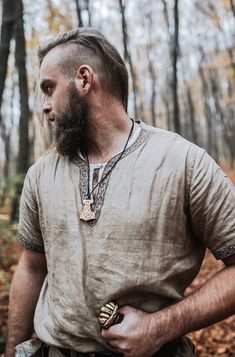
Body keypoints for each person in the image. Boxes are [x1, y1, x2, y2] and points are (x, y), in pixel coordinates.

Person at [6, 27, 235, 357]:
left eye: (49, 88)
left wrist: (162, 326)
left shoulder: (183, 161)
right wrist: (13, 349)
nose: (44, 106)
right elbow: (31, 266)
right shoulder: (41, 173)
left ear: (84, 80)